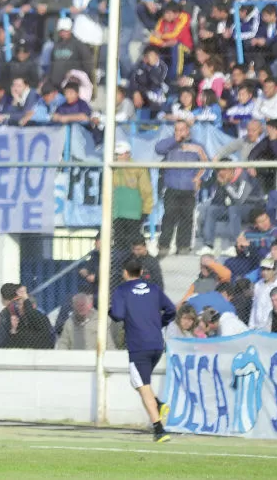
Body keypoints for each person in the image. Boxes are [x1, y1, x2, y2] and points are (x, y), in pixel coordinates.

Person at [109, 257, 176, 443]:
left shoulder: (122, 290)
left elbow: (118, 315)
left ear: (124, 272)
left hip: (138, 344)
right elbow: (171, 310)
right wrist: (158, 324)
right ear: (141, 272)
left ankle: (159, 429)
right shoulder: (154, 288)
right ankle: (159, 404)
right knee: (139, 381)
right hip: (156, 344)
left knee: (142, 385)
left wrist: (110, 310)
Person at [155, 121, 208, 257]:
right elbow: (158, 149)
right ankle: (164, 246)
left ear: (188, 130)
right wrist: (175, 140)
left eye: (182, 129)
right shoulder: (170, 145)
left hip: (188, 189)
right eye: (177, 130)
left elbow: (206, 164)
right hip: (171, 187)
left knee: (186, 218)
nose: (179, 132)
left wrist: (198, 178)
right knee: (169, 217)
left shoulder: (197, 146)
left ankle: (183, 246)